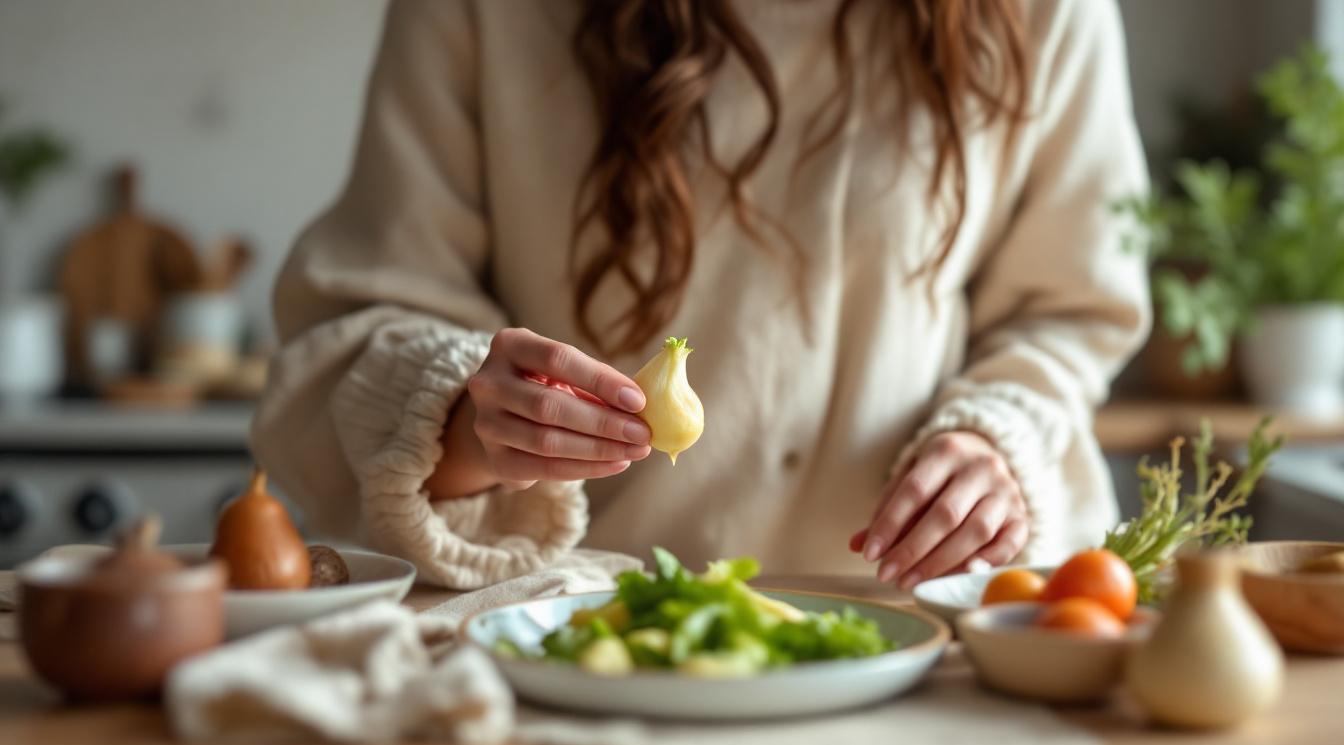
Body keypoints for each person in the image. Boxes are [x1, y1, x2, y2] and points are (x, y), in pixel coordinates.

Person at [252, 0, 1149, 590]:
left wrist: (997, 436)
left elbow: (1069, 311)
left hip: (910, 643)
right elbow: (354, 316)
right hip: (562, 636)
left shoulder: (1045, 13)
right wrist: (460, 419)